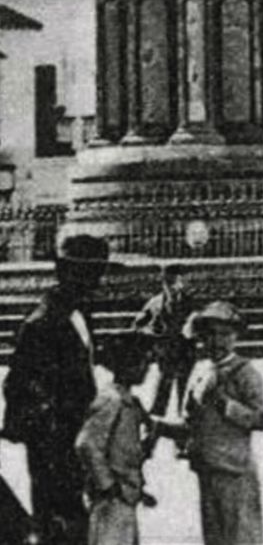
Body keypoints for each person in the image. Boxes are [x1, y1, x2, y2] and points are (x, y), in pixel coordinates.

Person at [2, 232, 115, 545]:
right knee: (58, 524)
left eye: (99, 272)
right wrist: (52, 437)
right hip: (55, 446)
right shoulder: (43, 323)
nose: (97, 281)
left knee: (75, 523)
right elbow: (17, 385)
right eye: (91, 272)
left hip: (77, 439)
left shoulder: (79, 314)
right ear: (66, 271)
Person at [180, 302, 263, 545]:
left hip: (234, 468)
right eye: (210, 335)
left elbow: (260, 419)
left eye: (224, 335)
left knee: (240, 534)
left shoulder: (245, 372)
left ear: (235, 337)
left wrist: (227, 406)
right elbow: (188, 415)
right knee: (214, 536)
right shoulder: (200, 369)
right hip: (207, 465)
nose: (217, 342)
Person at [75, 333, 156, 545]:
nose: (147, 368)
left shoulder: (128, 401)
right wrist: (107, 484)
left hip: (125, 496)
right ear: (127, 365)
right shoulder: (112, 400)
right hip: (111, 500)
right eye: (142, 362)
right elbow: (87, 443)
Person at [133, 265, 196, 419]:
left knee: (185, 384)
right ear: (164, 284)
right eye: (170, 283)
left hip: (185, 349)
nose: (174, 288)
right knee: (164, 381)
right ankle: (157, 413)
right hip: (165, 349)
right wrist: (152, 332)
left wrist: (192, 328)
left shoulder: (190, 303)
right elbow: (138, 325)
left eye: (177, 283)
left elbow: (199, 324)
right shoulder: (155, 303)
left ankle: (184, 414)